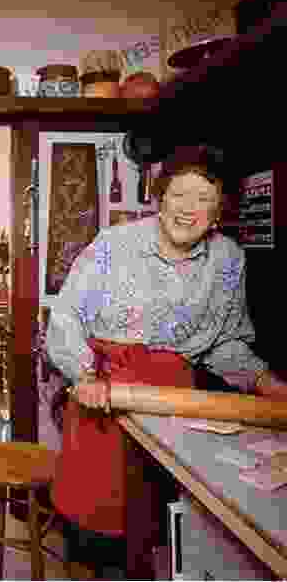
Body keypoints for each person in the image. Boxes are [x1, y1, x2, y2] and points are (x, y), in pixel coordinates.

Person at [45, 144, 287, 578]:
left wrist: (266, 383)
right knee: (100, 534)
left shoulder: (228, 260)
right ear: (160, 196)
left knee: (169, 527)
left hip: (172, 406)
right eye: (179, 194)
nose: (188, 209)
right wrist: (84, 374)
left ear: (219, 214)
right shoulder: (114, 245)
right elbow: (65, 317)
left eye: (204, 199)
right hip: (106, 395)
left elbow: (224, 343)